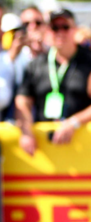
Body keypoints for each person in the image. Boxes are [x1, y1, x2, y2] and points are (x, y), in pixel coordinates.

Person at [15, 8, 91, 155]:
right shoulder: (36, 64)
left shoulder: (88, 60)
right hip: (45, 148)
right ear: (48, 31)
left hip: (82, 147)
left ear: (75, 29)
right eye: (55, 28)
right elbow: (22, 100)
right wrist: (26, 131)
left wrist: (74, 122)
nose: (60, 32)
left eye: (65, 27)